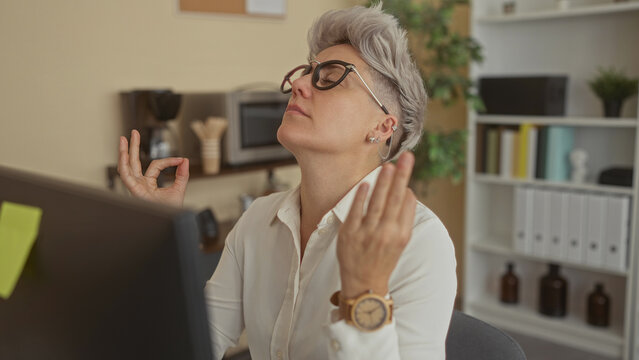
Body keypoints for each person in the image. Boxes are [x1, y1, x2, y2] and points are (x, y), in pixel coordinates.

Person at [117, 3, 456, 359]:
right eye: (306, 73)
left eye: (330, 77)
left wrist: (363, 294)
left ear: (382, 126)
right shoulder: (257, 221)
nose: (297, 84)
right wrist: (161, 239)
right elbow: (193, 344)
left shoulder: (420, 241)